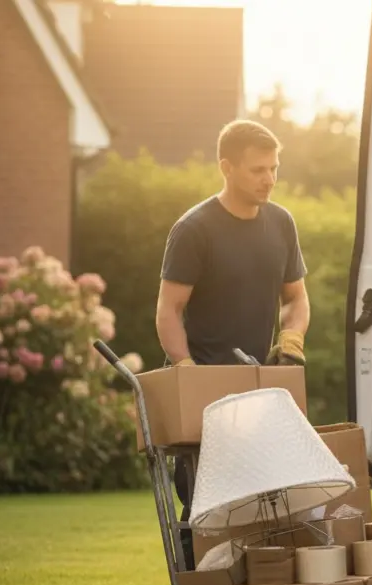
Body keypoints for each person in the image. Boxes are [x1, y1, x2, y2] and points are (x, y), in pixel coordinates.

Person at [154, 119, 312, 558]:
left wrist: (293, 338)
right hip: (205, 396)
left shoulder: (281, 223)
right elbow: (169, 310)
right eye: (257, 170)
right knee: (202, 512)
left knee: (264, 508)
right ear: (226, 167)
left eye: (274, 168)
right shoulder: (195, 229)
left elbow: (297, 298)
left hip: (258, 391)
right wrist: (186, 372)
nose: (269, 179)